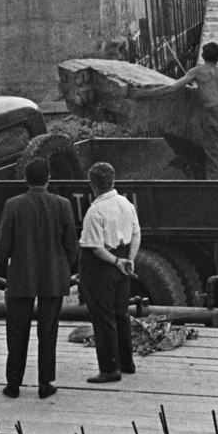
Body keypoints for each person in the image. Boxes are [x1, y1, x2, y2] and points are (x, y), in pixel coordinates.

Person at [0, 158, 80, 400]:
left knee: (16, 331)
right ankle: (45, 383)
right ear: (48, 178)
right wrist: (62, 265)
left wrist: (6, 265)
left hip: (21, 276)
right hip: (53, 276)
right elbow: (71, 245)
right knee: (48, 331)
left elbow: (3, 246)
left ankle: (13, 384)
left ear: (25, 178)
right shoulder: (62, 204)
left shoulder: (12, 205)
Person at [129, 42, 218, 179]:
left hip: (214, 115)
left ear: (202, 55)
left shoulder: (197, 71)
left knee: (214, 157)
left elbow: (172, 88)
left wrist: (143, 94)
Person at [77, 161, 140, 383]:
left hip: (102, 265)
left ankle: (109, 368)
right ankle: (126, 361)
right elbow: (135, 234)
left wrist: (115, 262)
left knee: (103, 317)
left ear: (92, 185)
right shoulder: (126, 204)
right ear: (113, 180)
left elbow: (95, 247)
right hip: (124, 258)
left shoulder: (95, 211)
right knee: (121, 312)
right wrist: (128, 260)